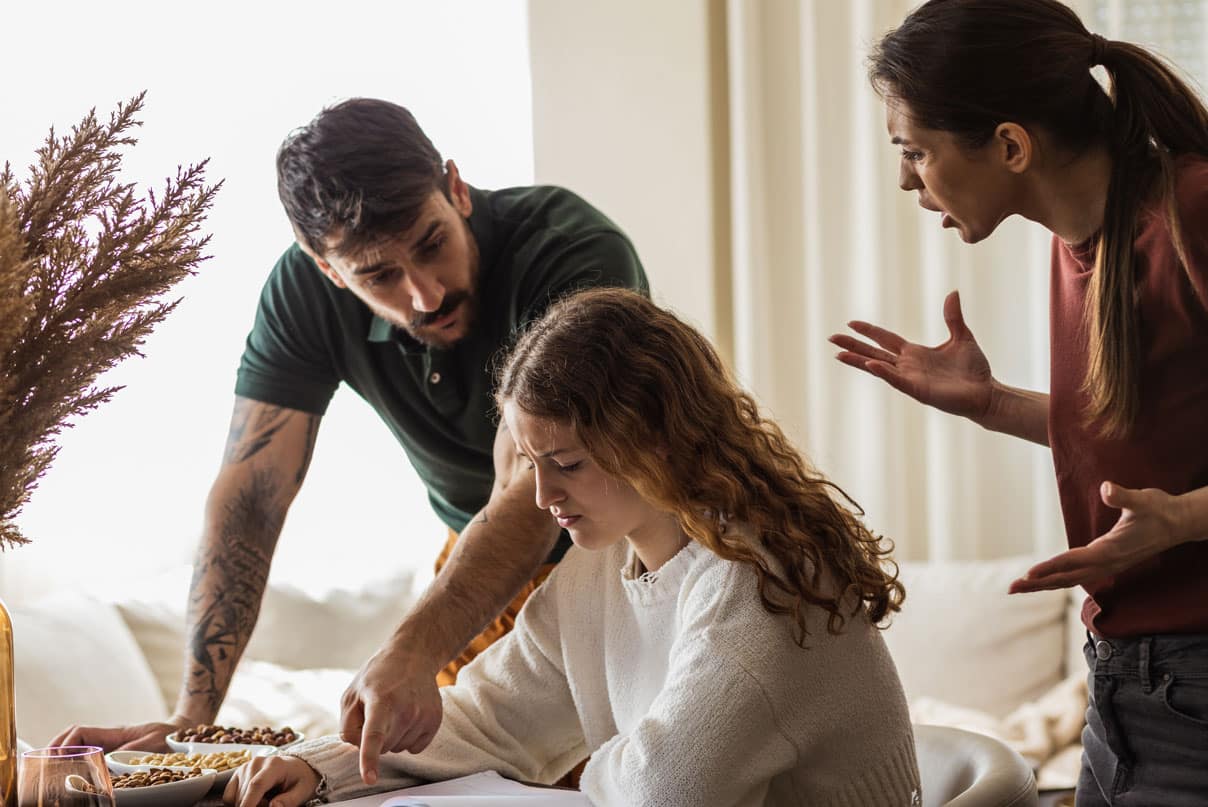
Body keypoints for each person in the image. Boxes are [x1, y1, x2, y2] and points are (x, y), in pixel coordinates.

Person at [51, 99, 648, 782]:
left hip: (627, 559)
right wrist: (193, 718)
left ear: (455, 187)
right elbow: (252, 495)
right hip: (481, 574)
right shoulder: (302, 295)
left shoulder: (570, 251)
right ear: (327, 268)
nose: (424, 295)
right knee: (434, 780)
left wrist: (412, 647)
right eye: (378, 275)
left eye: (431, 243)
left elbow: (530, 492)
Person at [222, 287, 920, 807]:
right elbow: (491, 714)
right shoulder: (600, 568)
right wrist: (325, 763)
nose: (541, 495)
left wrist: (595, 759)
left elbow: (665, 790)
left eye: (568, 462)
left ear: (653, 439)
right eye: (530, 462)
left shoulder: (757, 584)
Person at [829, 1, 1208, 803]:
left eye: (915, 151)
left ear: (1009, 144)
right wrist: (991, 402)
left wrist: (1185, 520)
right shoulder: (1080, 241)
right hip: (1123, 685)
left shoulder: (1194, 212)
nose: (905, 177)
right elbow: (1147, 434)